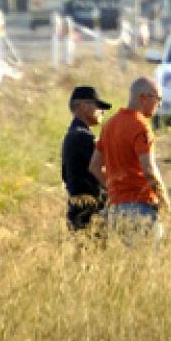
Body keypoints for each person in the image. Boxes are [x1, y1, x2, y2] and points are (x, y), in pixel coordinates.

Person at [91, 78, 171, 245]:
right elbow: (149, 170)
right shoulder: (141, 126)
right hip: (140, 209)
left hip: (116, 210)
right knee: (147, 264)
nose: (159, 105)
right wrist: (164, 200)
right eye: (158, 99)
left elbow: (95, 166)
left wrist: (116, 188)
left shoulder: (110, 125)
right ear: (144, 98)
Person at [61, 85, 110, 234]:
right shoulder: (84, 137)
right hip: (89, 213)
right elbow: (96, 169)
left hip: (77, 210)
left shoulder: (71, 135)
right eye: (98, 106)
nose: (102, 111)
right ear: (83, 106)